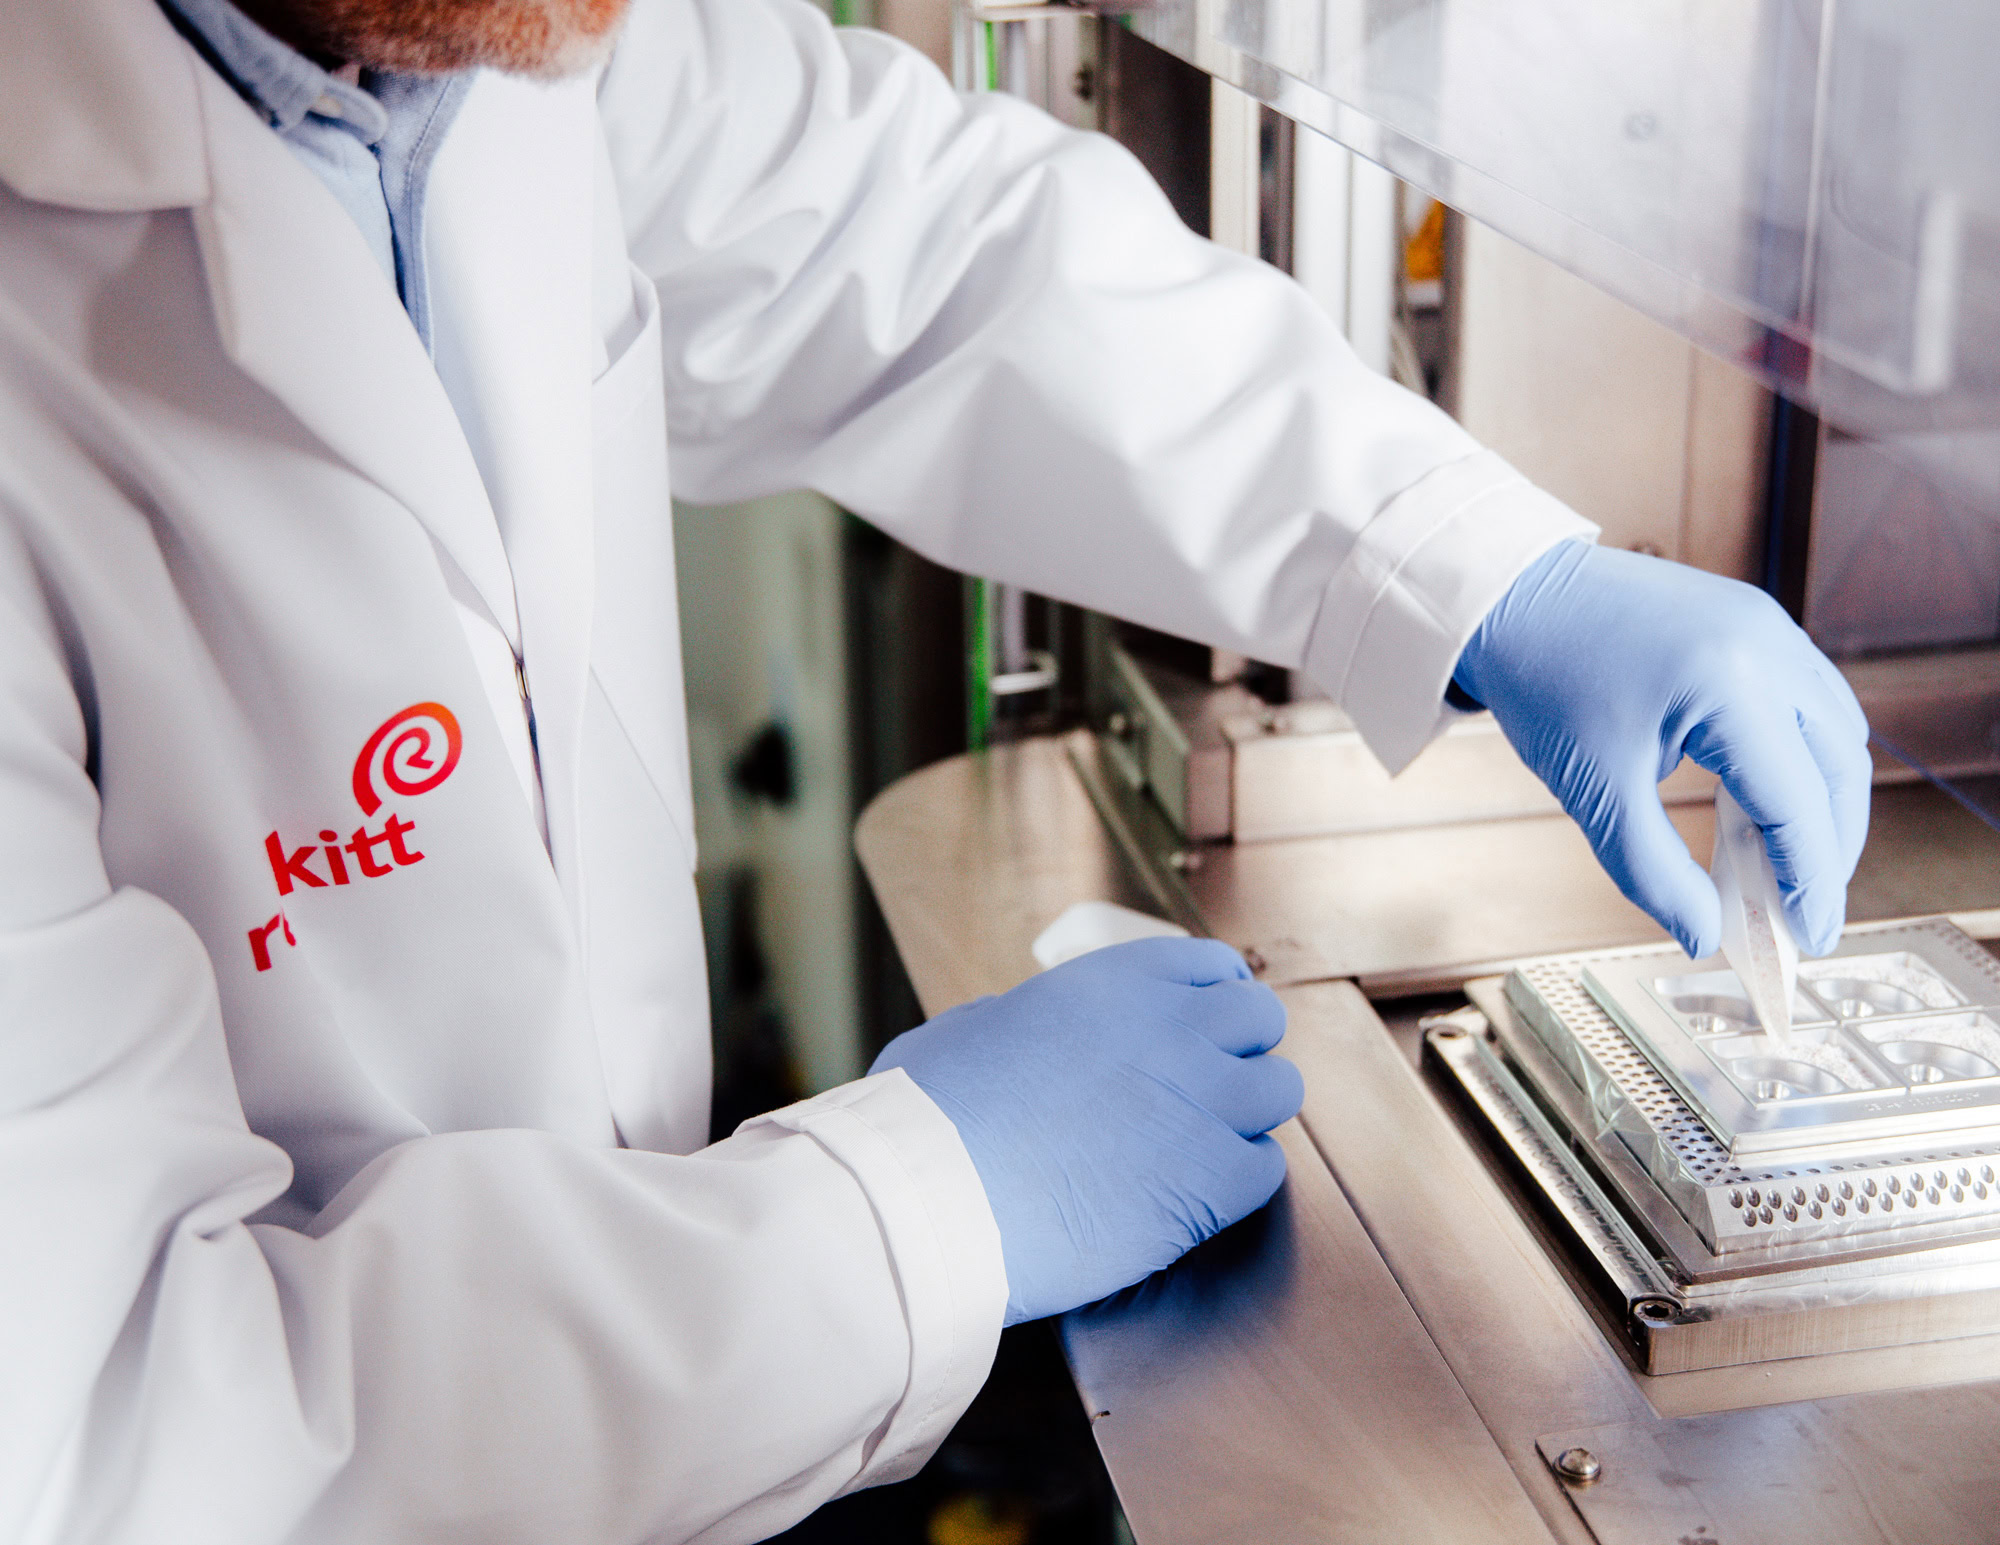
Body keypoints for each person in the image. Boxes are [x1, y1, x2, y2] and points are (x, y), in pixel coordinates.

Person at [0, 0, 1869, 1538]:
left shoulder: (470, 56)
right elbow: (117, 1437)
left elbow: (915, 243)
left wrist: (1473, 562)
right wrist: (913, 1209)